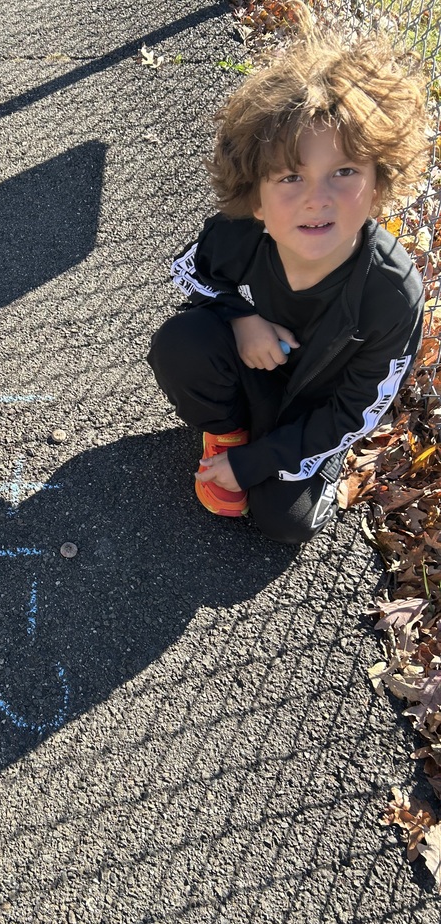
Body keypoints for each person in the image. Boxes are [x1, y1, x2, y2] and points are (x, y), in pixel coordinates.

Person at [147, 24, 431, 544]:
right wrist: (243, 318)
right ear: (255, 199)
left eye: (344, 171)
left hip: (314, 412)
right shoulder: (239, 234)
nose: (317, 198)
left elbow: (357, 408)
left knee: (283, 522)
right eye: (290, 177)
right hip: (254, 377)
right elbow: (193, 270)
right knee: (180, 343)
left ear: (379, 183)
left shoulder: (392, 294)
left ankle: (290, 459)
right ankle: (226, 430)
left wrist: (262, 461)